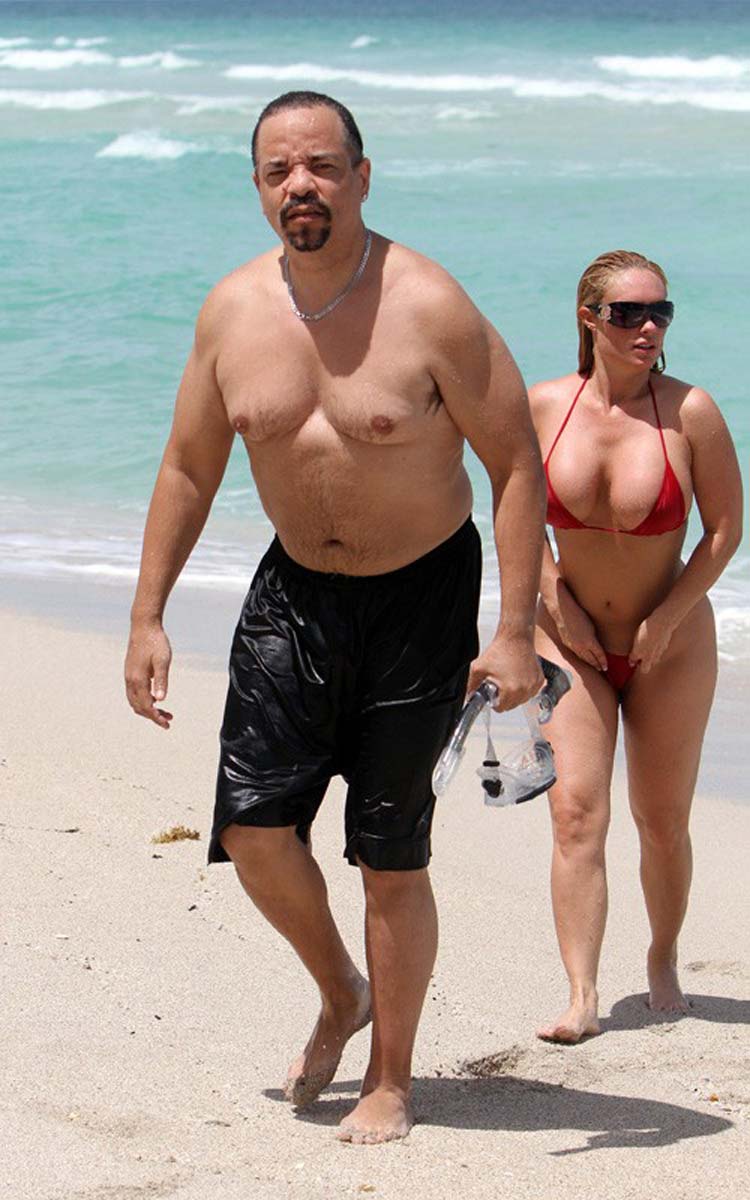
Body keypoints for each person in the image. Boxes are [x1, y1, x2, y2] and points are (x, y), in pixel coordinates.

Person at [124, 91, 545, 1143]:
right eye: (279, 171)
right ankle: (340, 989)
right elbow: (188, 467)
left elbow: (515, 464)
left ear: (361, 175)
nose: (300, 186)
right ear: (258, 187)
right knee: (251, 826)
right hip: (295, 595)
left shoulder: (429, 304)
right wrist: (147, 614)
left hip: (420, 598)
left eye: (320, 165)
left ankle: (391, 1079)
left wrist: (515, 629)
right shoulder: (231, 312)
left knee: (390, 853)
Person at [529, 250, 743, 1043]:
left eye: (661, 312)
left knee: (661, 820)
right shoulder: (543, 406)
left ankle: (662, 955)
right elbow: (514, 519)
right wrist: (556, 604)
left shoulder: (690, 411)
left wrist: (669, 616)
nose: (649, 327)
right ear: (589, 319)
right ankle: (582, 995)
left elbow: (725, 530)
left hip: (671, 642)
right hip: (569, 640)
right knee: (576, 814)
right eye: (629, 314)